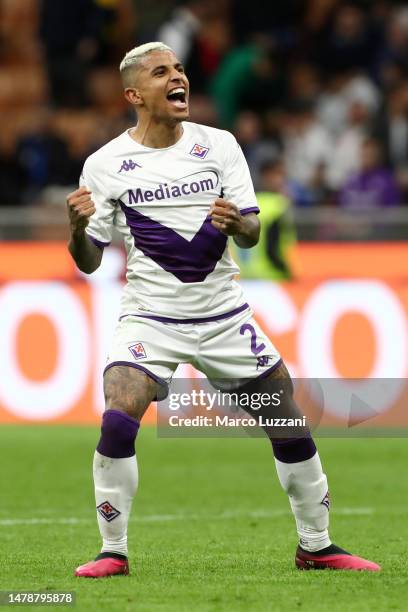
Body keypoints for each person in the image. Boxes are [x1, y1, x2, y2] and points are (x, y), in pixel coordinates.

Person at [66, 42, 380, 578]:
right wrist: (76, 229)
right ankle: (111, 552)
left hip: (225, 319)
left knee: (288, 422)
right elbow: (89, 262)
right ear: (134, 94)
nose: (177, 77)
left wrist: (241, 224)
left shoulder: (219, 145)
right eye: (161, 72)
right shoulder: (105, 165)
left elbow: (255, 229)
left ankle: (317, 546)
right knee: (119, 416)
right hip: (151, 320)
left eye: (180, 68)